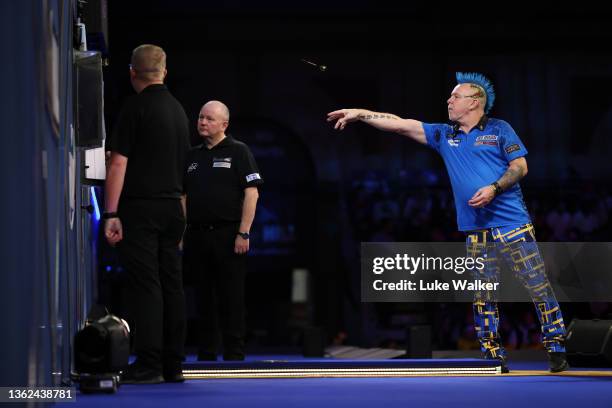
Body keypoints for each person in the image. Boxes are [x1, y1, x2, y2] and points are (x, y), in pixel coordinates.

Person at [327, 72, 568, 373]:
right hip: (475, 230)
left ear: (475, 102)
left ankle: (557, 348)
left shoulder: (499, 129)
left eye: (456, 96)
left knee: (536, 285)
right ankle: (493, 357)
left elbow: (520, 166)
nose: (448, 100)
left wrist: (494, 188)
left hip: (512, 224)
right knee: (482, 295)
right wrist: (360, 114)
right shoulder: (445, 134)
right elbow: (401, 124)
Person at [104, 44, 190, 383]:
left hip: (141, 208)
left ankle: (150, 363)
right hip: (173, 209)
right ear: (164, 72)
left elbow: (118, 163)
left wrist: (111, 212)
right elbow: (185, 170)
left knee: (146, 285)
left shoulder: (135, 108)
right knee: (173, 285)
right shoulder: (180, 111)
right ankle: (174, 365)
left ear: (132, 73)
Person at [183, 100, 263, 361]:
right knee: (202, 296)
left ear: (224, 124)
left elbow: (252, 193)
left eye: (209, 119)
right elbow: (182, 196)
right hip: (197, 235)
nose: (202, 122)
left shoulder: (239, 151)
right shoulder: (192, 155)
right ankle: (206, 352)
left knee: (231, 296)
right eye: (200, 117)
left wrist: (244, 232)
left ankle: (234, 353)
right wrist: (182, 232)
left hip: (229, 235)